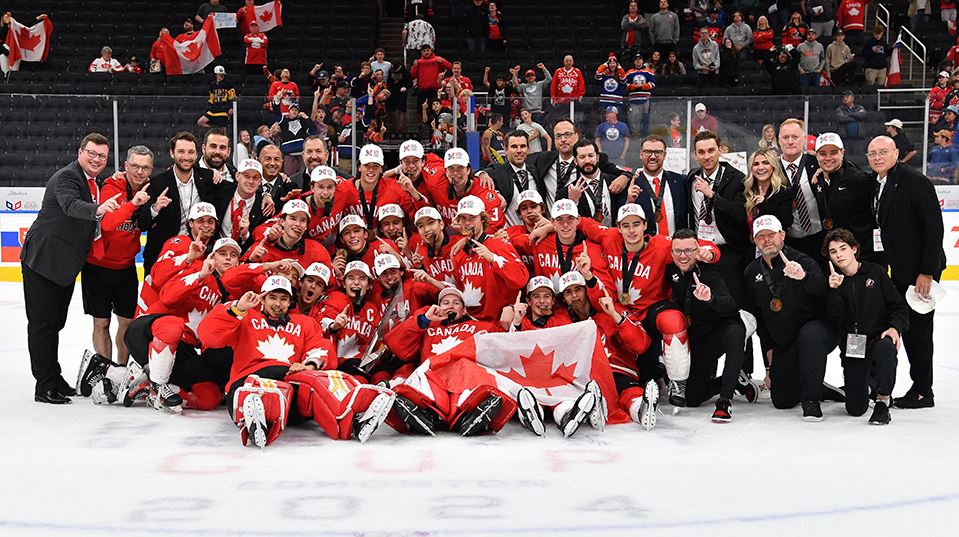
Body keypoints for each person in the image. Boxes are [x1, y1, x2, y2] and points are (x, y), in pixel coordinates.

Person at [198, 275, 394, 448]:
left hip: (289, 378)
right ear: (262, 299)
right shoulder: (245, 316)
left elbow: (322, 348)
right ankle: (257, 414)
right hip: (249, 377)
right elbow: (208, 335)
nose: (278, 304)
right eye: (272, 298)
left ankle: (352, 420)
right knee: (253, 390)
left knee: (319, 381)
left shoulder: (304, 323)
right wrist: (237, 308)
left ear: (290, 301)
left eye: (283, 299)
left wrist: (309, 365)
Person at [22, 133, 122, 404]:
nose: (97, 159)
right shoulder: (67, 177)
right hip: (43, 262)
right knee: (43, 325)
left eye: (102, 156)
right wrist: (98, 209)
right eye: (92, 153)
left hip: (64, 265)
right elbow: (71, 205)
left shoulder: (93, 182)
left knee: (55, 323)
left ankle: (54, 377)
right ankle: (44, 385)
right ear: (80, 152)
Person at [867, 135, 945, 409]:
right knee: (907, 329)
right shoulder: (880, 182)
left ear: (897, 153)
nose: (877, 157)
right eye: (872, 153)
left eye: (883, 152)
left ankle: (924, 391)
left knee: (919, 333)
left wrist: (927, 272)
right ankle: (917, 386)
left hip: (919, 274)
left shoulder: (914, 181)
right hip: (899, 271)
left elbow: (934, 228)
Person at [744, 215, 837, 420]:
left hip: (817, 331)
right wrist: (768, 367)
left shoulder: (802, 260)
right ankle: (817, 386)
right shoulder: (752, 272)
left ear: (782, 235)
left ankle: (811, 399)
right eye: (761, 236)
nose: (767, 240)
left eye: (771, 234)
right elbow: (761, 320)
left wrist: (803, 277)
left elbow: (823, 291)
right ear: (755, 241)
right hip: (785, 341)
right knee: (782, 401)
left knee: (809, 335)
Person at [667, 228, 754, 421]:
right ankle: (733, 381)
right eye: (678, 251)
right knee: (692, 398)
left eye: (689, 251)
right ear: (671, 252)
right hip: (699, 339)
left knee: (735, 333)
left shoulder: (709, 272)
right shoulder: (670, 271)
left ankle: (725, 401)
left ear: (698, 251)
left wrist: (710, 298)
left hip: (722, 329)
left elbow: (730, 304)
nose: (683, 256)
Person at [824, 228, 908, 425]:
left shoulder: (875, 272)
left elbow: (898, 306)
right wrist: (834, 292)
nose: (839, 254)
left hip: (878, 338)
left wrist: (895, 328)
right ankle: (869, 387)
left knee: (887, 345)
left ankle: (883, 401)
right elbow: (836, 319)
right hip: (854, 346)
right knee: (855, 409)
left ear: (854, 249)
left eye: (843, 248)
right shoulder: (835, 281)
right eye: (833, 251)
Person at [82, 146, 154, 367]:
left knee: (127, 323)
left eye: (145, 168)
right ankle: (105, 371)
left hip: (126, 268)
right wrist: (133, 204)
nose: (140, 172)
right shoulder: (111, 187)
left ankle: (120, 372)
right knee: (101, 322)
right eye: (135, 166)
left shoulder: (152, 189)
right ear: (125, 166)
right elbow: (108, 224)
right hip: (98, 266)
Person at [141, 132, 224, 274]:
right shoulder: (157, 184)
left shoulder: (208, 177)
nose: (186, 157)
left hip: (200, 253)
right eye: (181, 152)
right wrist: (154, 209)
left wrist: (265, 194)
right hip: (164, 256)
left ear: (197, 155)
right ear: (172, 153)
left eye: (191, 152)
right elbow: (142, 223)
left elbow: (237, 185)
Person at [687, 130, 749, 307]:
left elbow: (741, 215)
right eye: (701, 152)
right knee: (704, 304)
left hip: (728, 253)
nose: (706, 156)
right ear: (695, 155)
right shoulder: (691, 178)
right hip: (699, 253)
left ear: (720, 150)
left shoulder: (737, 179)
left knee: (731, 304)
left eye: (711, 150)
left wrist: (712, 195)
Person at [813, 132, 876, 261]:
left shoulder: (860, 179)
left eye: (833, 152)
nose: (828, 157)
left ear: (843, 152)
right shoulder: (818, 178)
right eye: (823, 154)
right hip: (834, 255)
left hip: (861, 255)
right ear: (816, 156)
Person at [779, 118, 827, 263]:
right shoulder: (771, 168)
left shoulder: (818, 163)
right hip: (790, 241)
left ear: (804, 139)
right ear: (779, 140)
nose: (790, 141)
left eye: (795, 137)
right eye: (786, 137)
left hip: (821, 236)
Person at [633, 135, 688, 236]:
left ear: (665, 155)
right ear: (641, 154)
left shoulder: (680, 181)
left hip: (677, 248)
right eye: (648, 152)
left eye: (658, 152)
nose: (653, 156)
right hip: (647, 249)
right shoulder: (631, 185)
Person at [743, 148, 796, 232]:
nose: (760, 167)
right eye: (756, 164)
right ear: (751, 169)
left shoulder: (783, 192)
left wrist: (764, 204)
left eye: (766, 163)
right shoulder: (747, 191)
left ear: (773, 166)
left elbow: (786, 222)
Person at [410, 44, 452, 110]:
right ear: (421, 52)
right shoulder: (418, 62)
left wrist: (443, 61)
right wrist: (414, 67)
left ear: (431, 51)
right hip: (422, 90)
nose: (426, 52)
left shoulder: (438, 59)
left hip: (435, 90)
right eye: (424, 51)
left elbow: (450, 67)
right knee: (420, 111)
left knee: (435, 111)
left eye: (428, 50)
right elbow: (413, 76)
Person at [624, 53, 656, 137]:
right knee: (633, 119)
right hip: (633, 99)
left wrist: (642, 86)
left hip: (645, 98)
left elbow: (653, 84)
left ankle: (644, 134)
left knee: (645, 118)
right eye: (636, 59)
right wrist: (633, 86)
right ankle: (634, 133)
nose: (638, 61)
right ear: (634, 61)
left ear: (642, 61)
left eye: (639, 59)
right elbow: (625, 84)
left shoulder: (648, 71)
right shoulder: (629, 72)